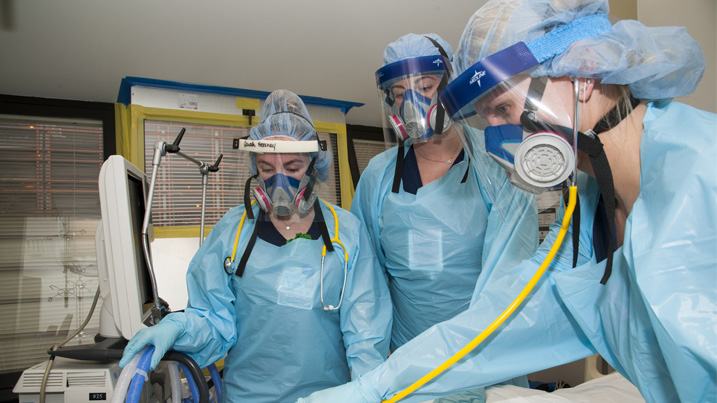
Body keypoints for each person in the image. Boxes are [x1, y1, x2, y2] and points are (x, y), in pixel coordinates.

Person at [298, 1, 716, 402]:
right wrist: (374, 387)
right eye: (486, 118)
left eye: (503, 109)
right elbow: (498, 319)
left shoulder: (704, 173)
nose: (497, 139)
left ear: (583, 75)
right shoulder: (586, 211)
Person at [120, 89, 393, 402]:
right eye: (267, 169)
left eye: (292, 169)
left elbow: (366, 338)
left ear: (314, 167)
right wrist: (179, 328)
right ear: (255, 169)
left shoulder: (347, 233)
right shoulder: (233, 232)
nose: (280, 183)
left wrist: (365, 394)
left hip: (328, 396)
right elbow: (213, 321)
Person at [351, 33, 539, 400]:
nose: (412, 104)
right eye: (401, 94)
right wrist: (373, 370)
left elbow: (509, 278)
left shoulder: (496, 163)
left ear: (451, 88)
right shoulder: (378, 175)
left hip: (485, 359)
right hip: (407, 362)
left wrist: (468, 361)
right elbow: (365, 280)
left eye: (425, 87)